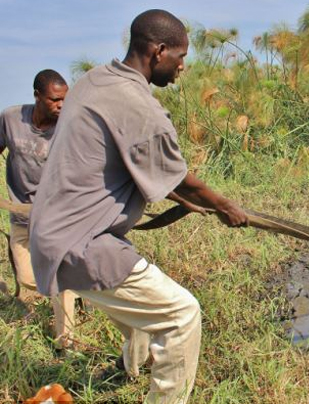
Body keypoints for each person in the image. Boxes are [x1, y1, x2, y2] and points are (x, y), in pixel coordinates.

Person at [29, 9, 247, 404]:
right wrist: (226, 206)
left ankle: (128, 366)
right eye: (180, 57)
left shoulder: (96, 80)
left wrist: (197, 202)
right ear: (159, 51)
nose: (183, 67)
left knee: (145, 300)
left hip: (57, 230)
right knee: (181, 314)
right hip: (80, 242)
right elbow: (179, 181)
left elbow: (147, 169)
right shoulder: (139, 107)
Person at [0, 69, 76, 349]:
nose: (61, 106)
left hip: (55, 217)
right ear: (37, 97)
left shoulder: (68, 127)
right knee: (26, 281)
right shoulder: (10, 118)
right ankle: (31, 335)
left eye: (65, 100)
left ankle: (65, 342)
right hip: (20, 215)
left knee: (60, 281)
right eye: (55, 100)